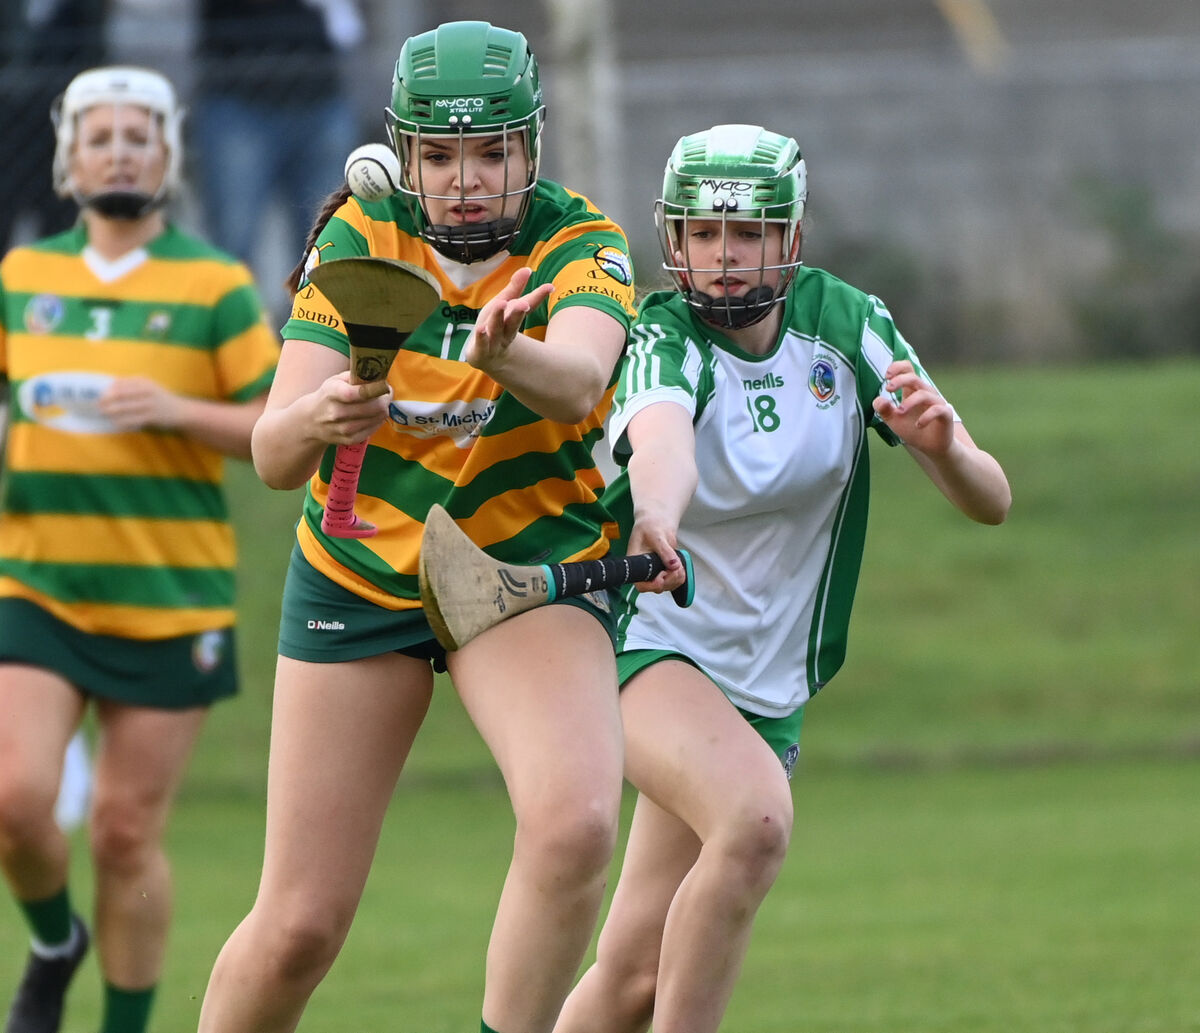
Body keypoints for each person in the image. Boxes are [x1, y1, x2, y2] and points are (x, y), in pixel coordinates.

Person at [196, 20, 636, 1033]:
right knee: (300, 923)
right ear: (406, 153)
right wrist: (323, 415)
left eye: (492, 152)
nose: (467, 179)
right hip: (359, 569)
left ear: (531, 148)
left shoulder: (580, 240)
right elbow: (273, 455)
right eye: (439, 155)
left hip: (522, 568)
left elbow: (577, 382)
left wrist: (501, 350)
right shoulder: (359, 233)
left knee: (573, 829)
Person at [553, 123, 1012, 1033]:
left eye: (751, 233)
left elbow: (990, 499)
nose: (725, 258)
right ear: (673, 240)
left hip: (765, 681)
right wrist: (658, 513)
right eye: (705, 235)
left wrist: (947, 446)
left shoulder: (846, 325)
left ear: (791, 239)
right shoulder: (661, 335)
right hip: (651, 641)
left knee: (634, 968)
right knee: (756, 821)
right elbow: (662, 440)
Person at [0, 66, 280, 1033]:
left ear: (167, 153)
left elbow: (275, 433)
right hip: (36, 584)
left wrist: (176, 409)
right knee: (15, 799)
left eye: (138, 134)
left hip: (171, 596)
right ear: (67, 157)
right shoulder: (21, 278)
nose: (119, 148)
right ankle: (50, 940)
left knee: (124, 832)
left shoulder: (216, 284)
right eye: (100, 134)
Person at [193, 0, 368, 321]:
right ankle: (237, 350)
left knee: (329, 243)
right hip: (236, 91)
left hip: (320, 89)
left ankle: (317, 351)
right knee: (233, 248)